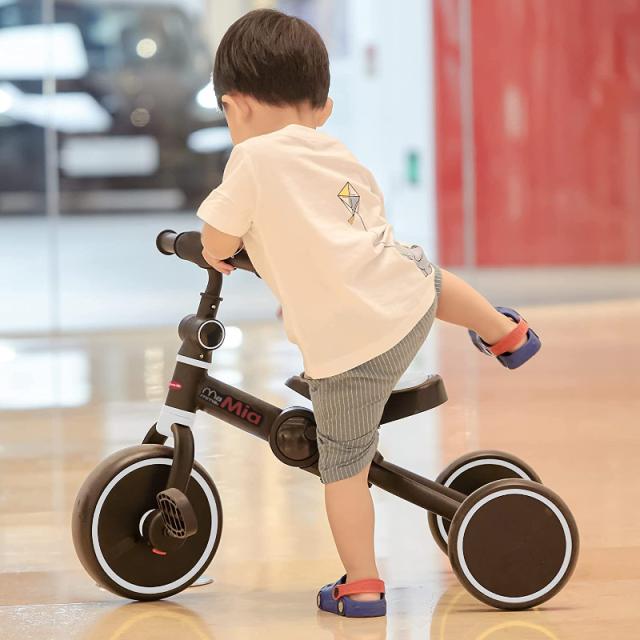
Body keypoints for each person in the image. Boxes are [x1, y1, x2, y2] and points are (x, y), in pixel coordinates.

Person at [197, 8, 540, 618]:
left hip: (349, 350)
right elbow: (353, 228)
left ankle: (362, 585)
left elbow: (217, 236)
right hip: (403, 301)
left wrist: (213, 251)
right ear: (324, 108)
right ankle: (504, 331)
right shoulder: (336, 151)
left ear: (234, 107)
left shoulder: (250, 160)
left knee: (344, 465)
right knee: (426, 276)